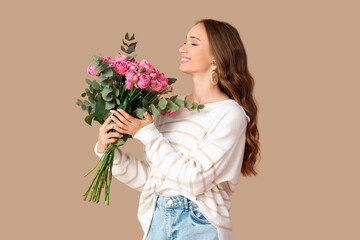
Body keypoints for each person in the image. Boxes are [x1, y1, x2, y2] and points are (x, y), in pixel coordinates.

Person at [94, 18, 260, 240]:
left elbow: (194, 180)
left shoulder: (230, 115)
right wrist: (107, 152)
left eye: (193, 43)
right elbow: (152, 179)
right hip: (156, 219)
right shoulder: (170, 108)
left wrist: (146, 134)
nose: (182, 48)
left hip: (198, 224)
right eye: (185, 42)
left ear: (216, 58)